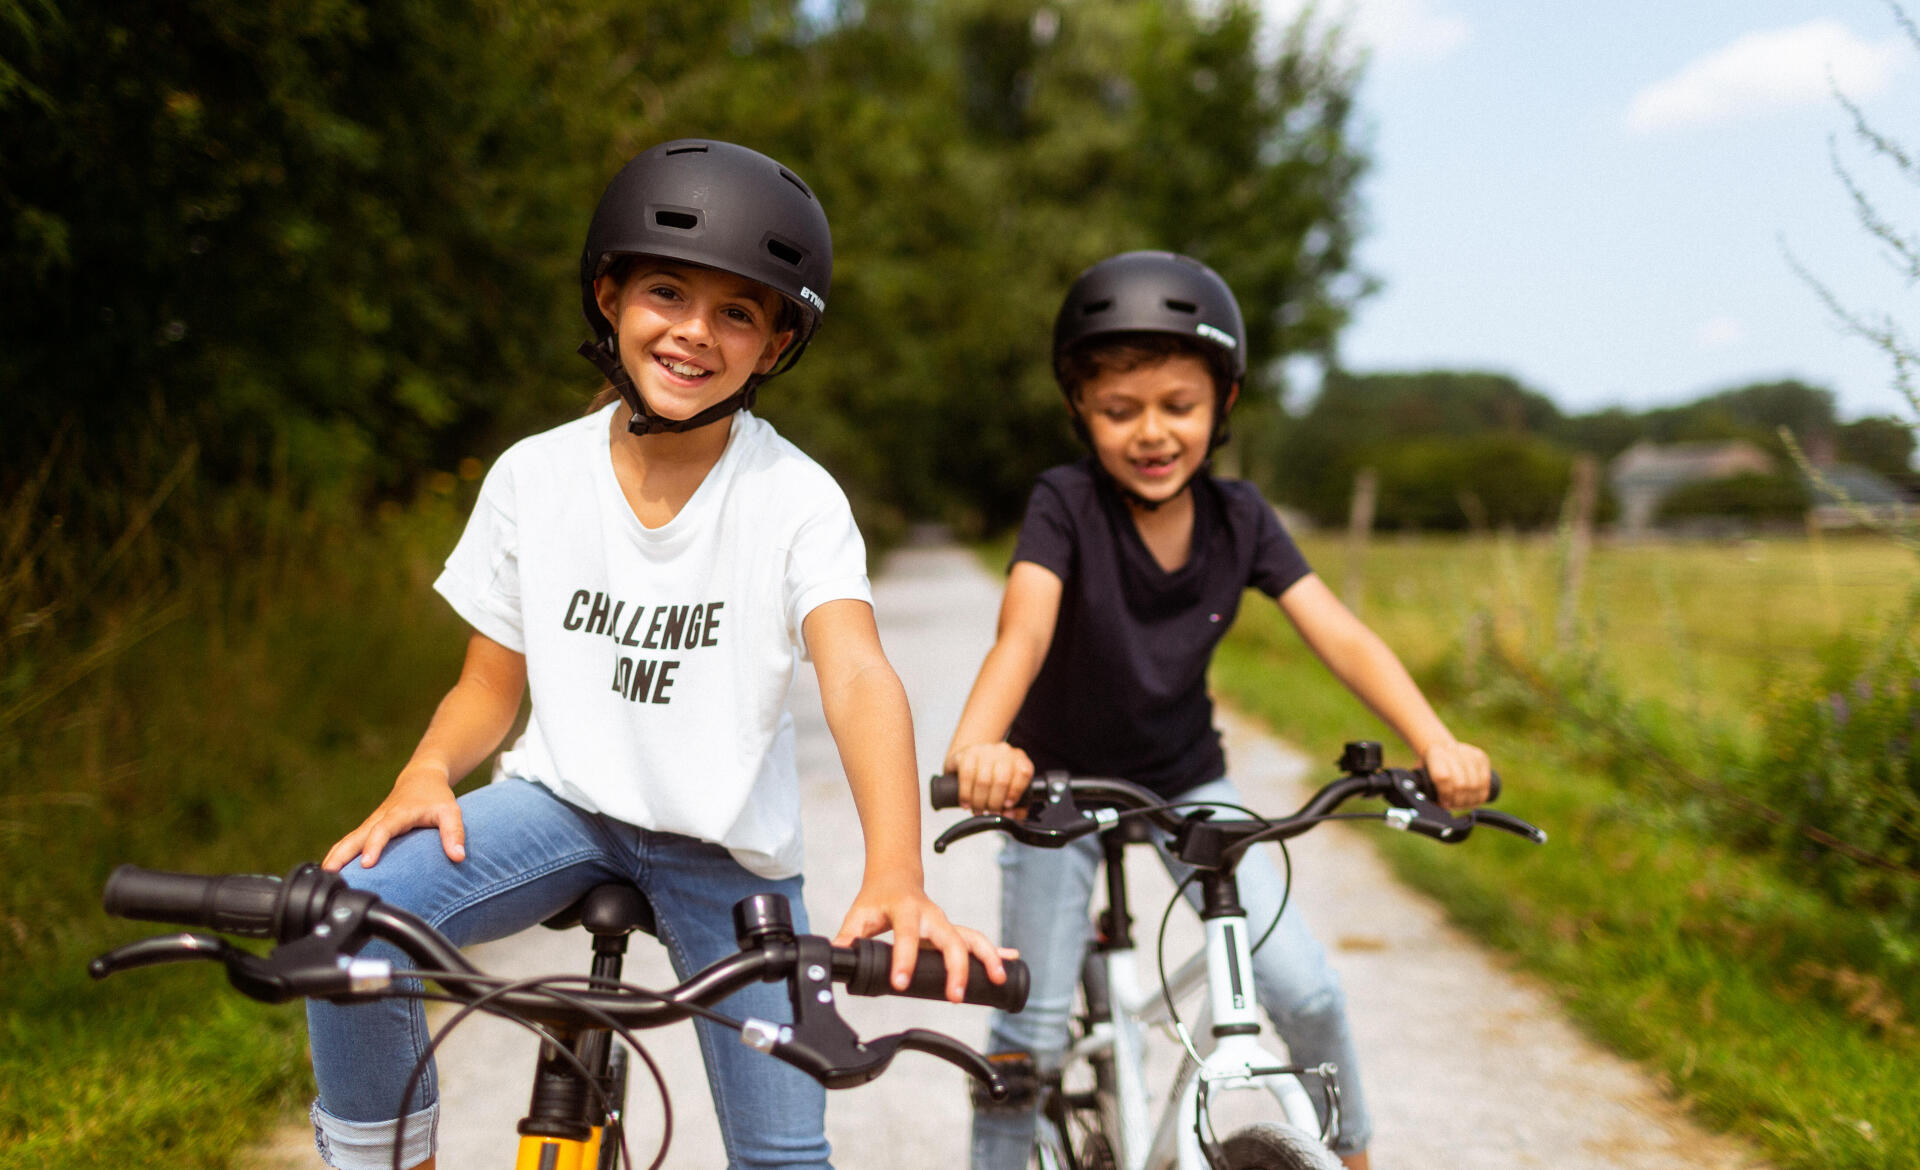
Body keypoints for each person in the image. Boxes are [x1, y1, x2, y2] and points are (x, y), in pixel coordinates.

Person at [305, 138, 1009, 1170]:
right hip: (560, 810)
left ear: (775, 346)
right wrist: (424, 770)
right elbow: (486, 686)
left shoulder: (795, 498)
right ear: (608, 296)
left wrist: (896, 871)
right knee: (346, 922)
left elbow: (857, 675)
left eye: (738, 311)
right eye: (667, 293)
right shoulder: (534, 477)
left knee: (783, 1156)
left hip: (724, 852)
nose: (694, 332)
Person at [944, 250, 1493, 1170]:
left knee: (1304, 989)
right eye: (1120, 411)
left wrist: (1435, 741)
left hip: (1185, 774)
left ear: (1223, 405)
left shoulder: (1242, 519)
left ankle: (1348, 1153)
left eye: (1178, 407)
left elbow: (1342, 635)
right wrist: (978, 745)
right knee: (1028, 1038)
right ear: (1080, 409)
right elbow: (1024, 632)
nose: (1151, 433)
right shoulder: (1065, 504)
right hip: (1051, 788)